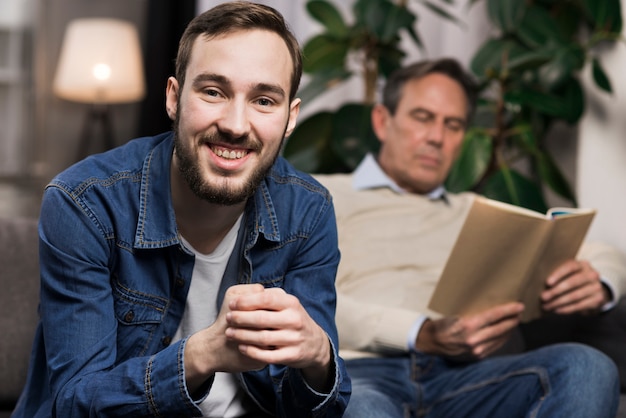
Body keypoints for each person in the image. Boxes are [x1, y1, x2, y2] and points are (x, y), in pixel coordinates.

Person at [12, 3, 351, 417]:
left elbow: (314, 408)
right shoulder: (85, 203)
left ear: (290, 118)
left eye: (263, 100)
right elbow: (75, 404)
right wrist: (201, 354)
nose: (236, 124)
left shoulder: (309, 211)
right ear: (174, 97)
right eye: (213, 92)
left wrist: (319, 358)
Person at [314, 57, 626, 417]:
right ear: (383, 121)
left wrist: (601, 283)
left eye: (454, 125)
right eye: (423, 117)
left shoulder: (478, 210)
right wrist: (419, 331)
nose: (436, 137)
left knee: (587, 367)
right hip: (361, 373)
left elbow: (601, 251)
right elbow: (301, 297)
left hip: (467, 377)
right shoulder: (317, 194)